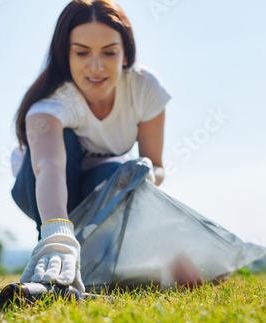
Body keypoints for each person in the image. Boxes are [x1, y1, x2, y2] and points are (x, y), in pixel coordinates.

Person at [10, 0, 171, 293]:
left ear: (125, 55)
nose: (96, 67)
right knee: (68, 142)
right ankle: (51, 255)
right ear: (65, 56)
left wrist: (144, 174)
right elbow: (50, 167)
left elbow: (157, 165)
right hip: (40, 190)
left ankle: (98, 267)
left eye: (109, 53)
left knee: (117, 170)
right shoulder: (50, 105)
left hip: (99, 186)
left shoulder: (144, 87)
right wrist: (57, 234)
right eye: (82, 53)